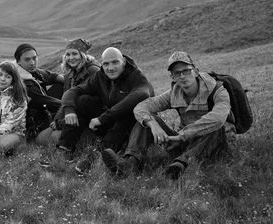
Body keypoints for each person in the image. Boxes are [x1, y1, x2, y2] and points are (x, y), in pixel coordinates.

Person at [101, 51, 235, 180]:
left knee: (216, 126)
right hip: (185, 144)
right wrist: (153, 124)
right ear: (172, 77)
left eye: (186, 71)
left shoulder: (217, 91)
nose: (182, 76)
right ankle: (130, 164)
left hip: (216, 146)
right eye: (177, 73)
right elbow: (140, 107)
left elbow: (218, 117)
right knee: (146, 120)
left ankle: (183, 164)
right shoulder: (174, 93)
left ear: (196, 71)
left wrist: (182, 136)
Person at [51, 47, 154, 174]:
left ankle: (97, 155)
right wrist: (69, 110)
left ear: (124, 62)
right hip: (108, 121)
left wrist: (102, 118)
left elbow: (141, 95)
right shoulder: (100, 76)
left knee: (128, 112)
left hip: (133, 126)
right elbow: (74, 91)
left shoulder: (136, 76)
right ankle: (65, 147)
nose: (110, 68)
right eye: (106, 64)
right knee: (83, 100)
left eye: (115, 62)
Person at [36, 38, 101, 146]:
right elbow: (64, 102)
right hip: (69, 115)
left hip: (86, 118)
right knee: (40, 139)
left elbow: (85, 104)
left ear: (82, 54)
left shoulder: (93, 71)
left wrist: (61, 124)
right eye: (68, 54)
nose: (71, 58)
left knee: (54, 138)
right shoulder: (71, 73)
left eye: (74, 54)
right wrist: (56, 121)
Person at [14, 43, 64, 140]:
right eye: (27, 59)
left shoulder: (32, 72)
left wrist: (70, 82)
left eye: (34, 58)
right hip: (33, 125)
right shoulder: (22, 82)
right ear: (18, 62)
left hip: (44, 110)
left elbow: (51, 76)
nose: (32, 63)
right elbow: (47, 102)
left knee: (61, 85)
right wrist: (70, 106)